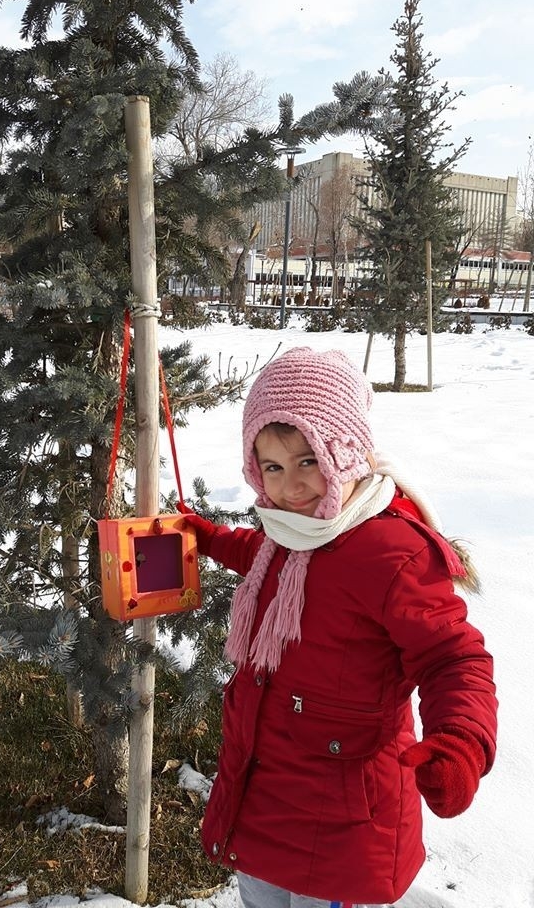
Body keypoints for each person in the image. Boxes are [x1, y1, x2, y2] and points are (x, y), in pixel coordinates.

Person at [180, 346, 497, 908]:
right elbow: (260, 552)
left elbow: (455, 657)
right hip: (264, 807)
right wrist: (207, 538)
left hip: (346, 831)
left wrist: (463, 743)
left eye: (309, 462)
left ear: (346, 455)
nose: (291, 487)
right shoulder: (289, 533)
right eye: (272, 468)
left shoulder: (391, 552)